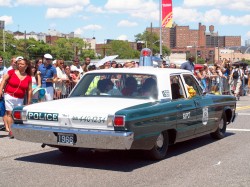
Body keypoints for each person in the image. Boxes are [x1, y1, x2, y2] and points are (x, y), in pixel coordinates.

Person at [0, 58, 32, 138]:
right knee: (9, 113)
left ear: (26, 66)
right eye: (19, 63)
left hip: (20, 98)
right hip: (9, 95)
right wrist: (0, 90)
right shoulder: (11, 72)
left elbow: (29, 90)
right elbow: (4, 80)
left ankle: (15, 130)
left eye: (22, 64)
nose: (20, 65)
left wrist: (29, 101)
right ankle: (11, 131)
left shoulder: (28, 77)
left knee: (16, 114)